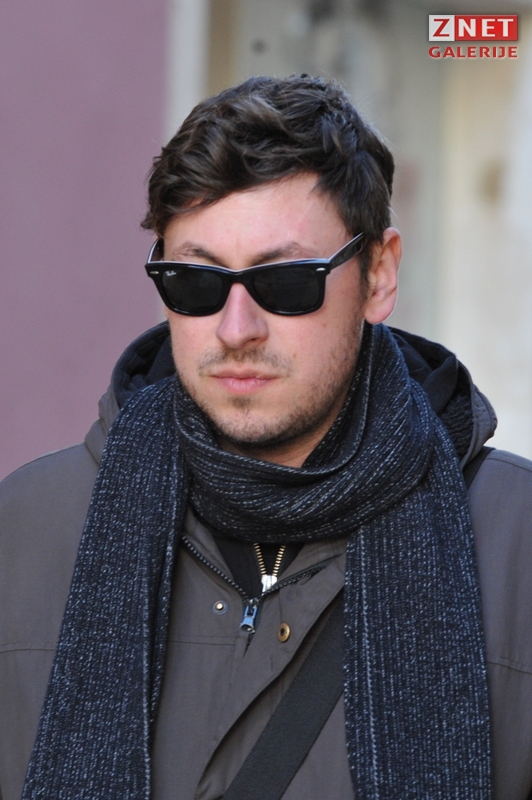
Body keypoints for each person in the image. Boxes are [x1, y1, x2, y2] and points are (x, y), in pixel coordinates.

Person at [1, 74, 532, 800]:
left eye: (284, 283)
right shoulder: (26, 528)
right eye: (196, 282)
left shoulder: (516, 542)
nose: (236, 329)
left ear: (378, 275)